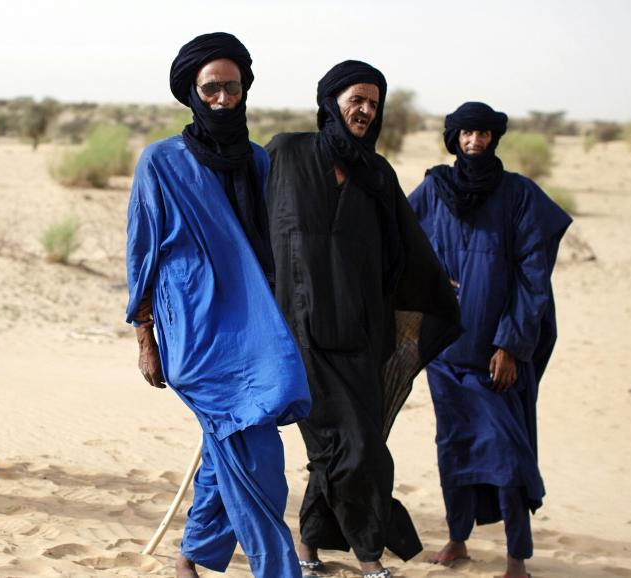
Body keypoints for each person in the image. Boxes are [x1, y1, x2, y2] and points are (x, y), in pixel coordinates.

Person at [126, 32, 312, 578]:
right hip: (194, 332)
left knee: (229, 445)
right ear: (191, 92)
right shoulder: (159, 162)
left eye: (232, 87)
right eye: (211, 89)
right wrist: (145, 340)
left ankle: (191, 556)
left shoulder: (258, 161)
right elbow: (141, 256)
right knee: (260, 462)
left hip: (256, 330)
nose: (223, 99)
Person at [265, 61, 461, 577]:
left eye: (374, 104)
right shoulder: (286, 153)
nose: (366, 110)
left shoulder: (378, 177)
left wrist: (435, 286)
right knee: (354, 449)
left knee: (342, 449)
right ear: (332, 100)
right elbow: (251, 231)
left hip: (360, 339)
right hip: (300, 338)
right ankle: (371, 555)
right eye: (358, 99)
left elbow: (403, 254)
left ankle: (307, 552)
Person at [408, 102, 571, 578]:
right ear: (454, 138)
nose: (475, 142)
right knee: (453, 446)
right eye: (466, 134)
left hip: (495, 355)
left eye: (482, 134)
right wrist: (434, 281)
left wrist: (511, 346)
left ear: (493, 138)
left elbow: (532, 276)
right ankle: (458, 539)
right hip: (445, 352)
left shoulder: (518, 193)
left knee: (508, 454)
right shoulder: (435, 190)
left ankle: (516, 557)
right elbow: (401, 241)